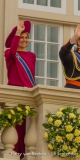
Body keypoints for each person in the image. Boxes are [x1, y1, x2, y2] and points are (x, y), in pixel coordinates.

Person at [4, 20, 36, 159]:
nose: (24, 40)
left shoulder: (32, 56)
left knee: (28, 129)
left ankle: (25, 155)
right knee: (16, 128)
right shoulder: (10, 54)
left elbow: (32, 76)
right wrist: (17, 31)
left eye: (26, 37)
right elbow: (11, 51)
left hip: (29, 94)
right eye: (21, 37)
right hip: (16, 94)